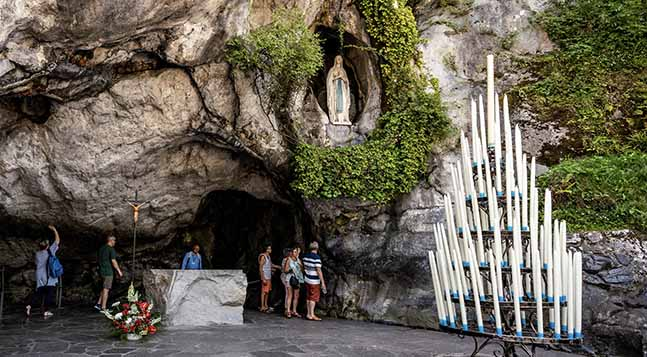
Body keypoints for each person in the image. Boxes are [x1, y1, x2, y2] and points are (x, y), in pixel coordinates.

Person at [26, 225, 60, 318]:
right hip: (48, 275)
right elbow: (57, 241)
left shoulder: (37, 254)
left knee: (39, 292)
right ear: (47, 245)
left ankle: (29, 305)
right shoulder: (50, 251)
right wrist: (54, 230)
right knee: (50, 292)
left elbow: (37, 263)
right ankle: (46, 311)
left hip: (39, 274)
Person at [95, 235, 123, 311]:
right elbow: (113, 261)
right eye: (114, 240)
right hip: (108, 272)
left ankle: (98, 303)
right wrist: (119, 271)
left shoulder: (101, 248)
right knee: (106, 289)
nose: (115, 242)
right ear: (111, 240)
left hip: (102, 271)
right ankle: (103, 307)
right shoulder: (111, 249)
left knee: (104, 288)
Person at [303, 241, 326, 321]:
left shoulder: (305, 256)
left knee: (308, 296)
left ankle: (308, 314)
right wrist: (323, 283)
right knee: (313, 297)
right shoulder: (317, 258)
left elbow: (304, 267)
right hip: (314, 281)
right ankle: (312, 314)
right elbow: (319, 270)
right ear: (317, 248)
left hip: (307, 279)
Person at [258, 243, 280, 313]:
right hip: (265, 276)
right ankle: (262, 306)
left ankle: (265, 304)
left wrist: (278, 267)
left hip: (268, 276)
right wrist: (262, 278)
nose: (271, 250)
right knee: (263, 292)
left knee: (267, 292)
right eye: (269, 248)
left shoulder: (268, 256)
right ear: (266, 249)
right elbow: (261, 268)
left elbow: (270, 264)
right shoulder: (263, 257)